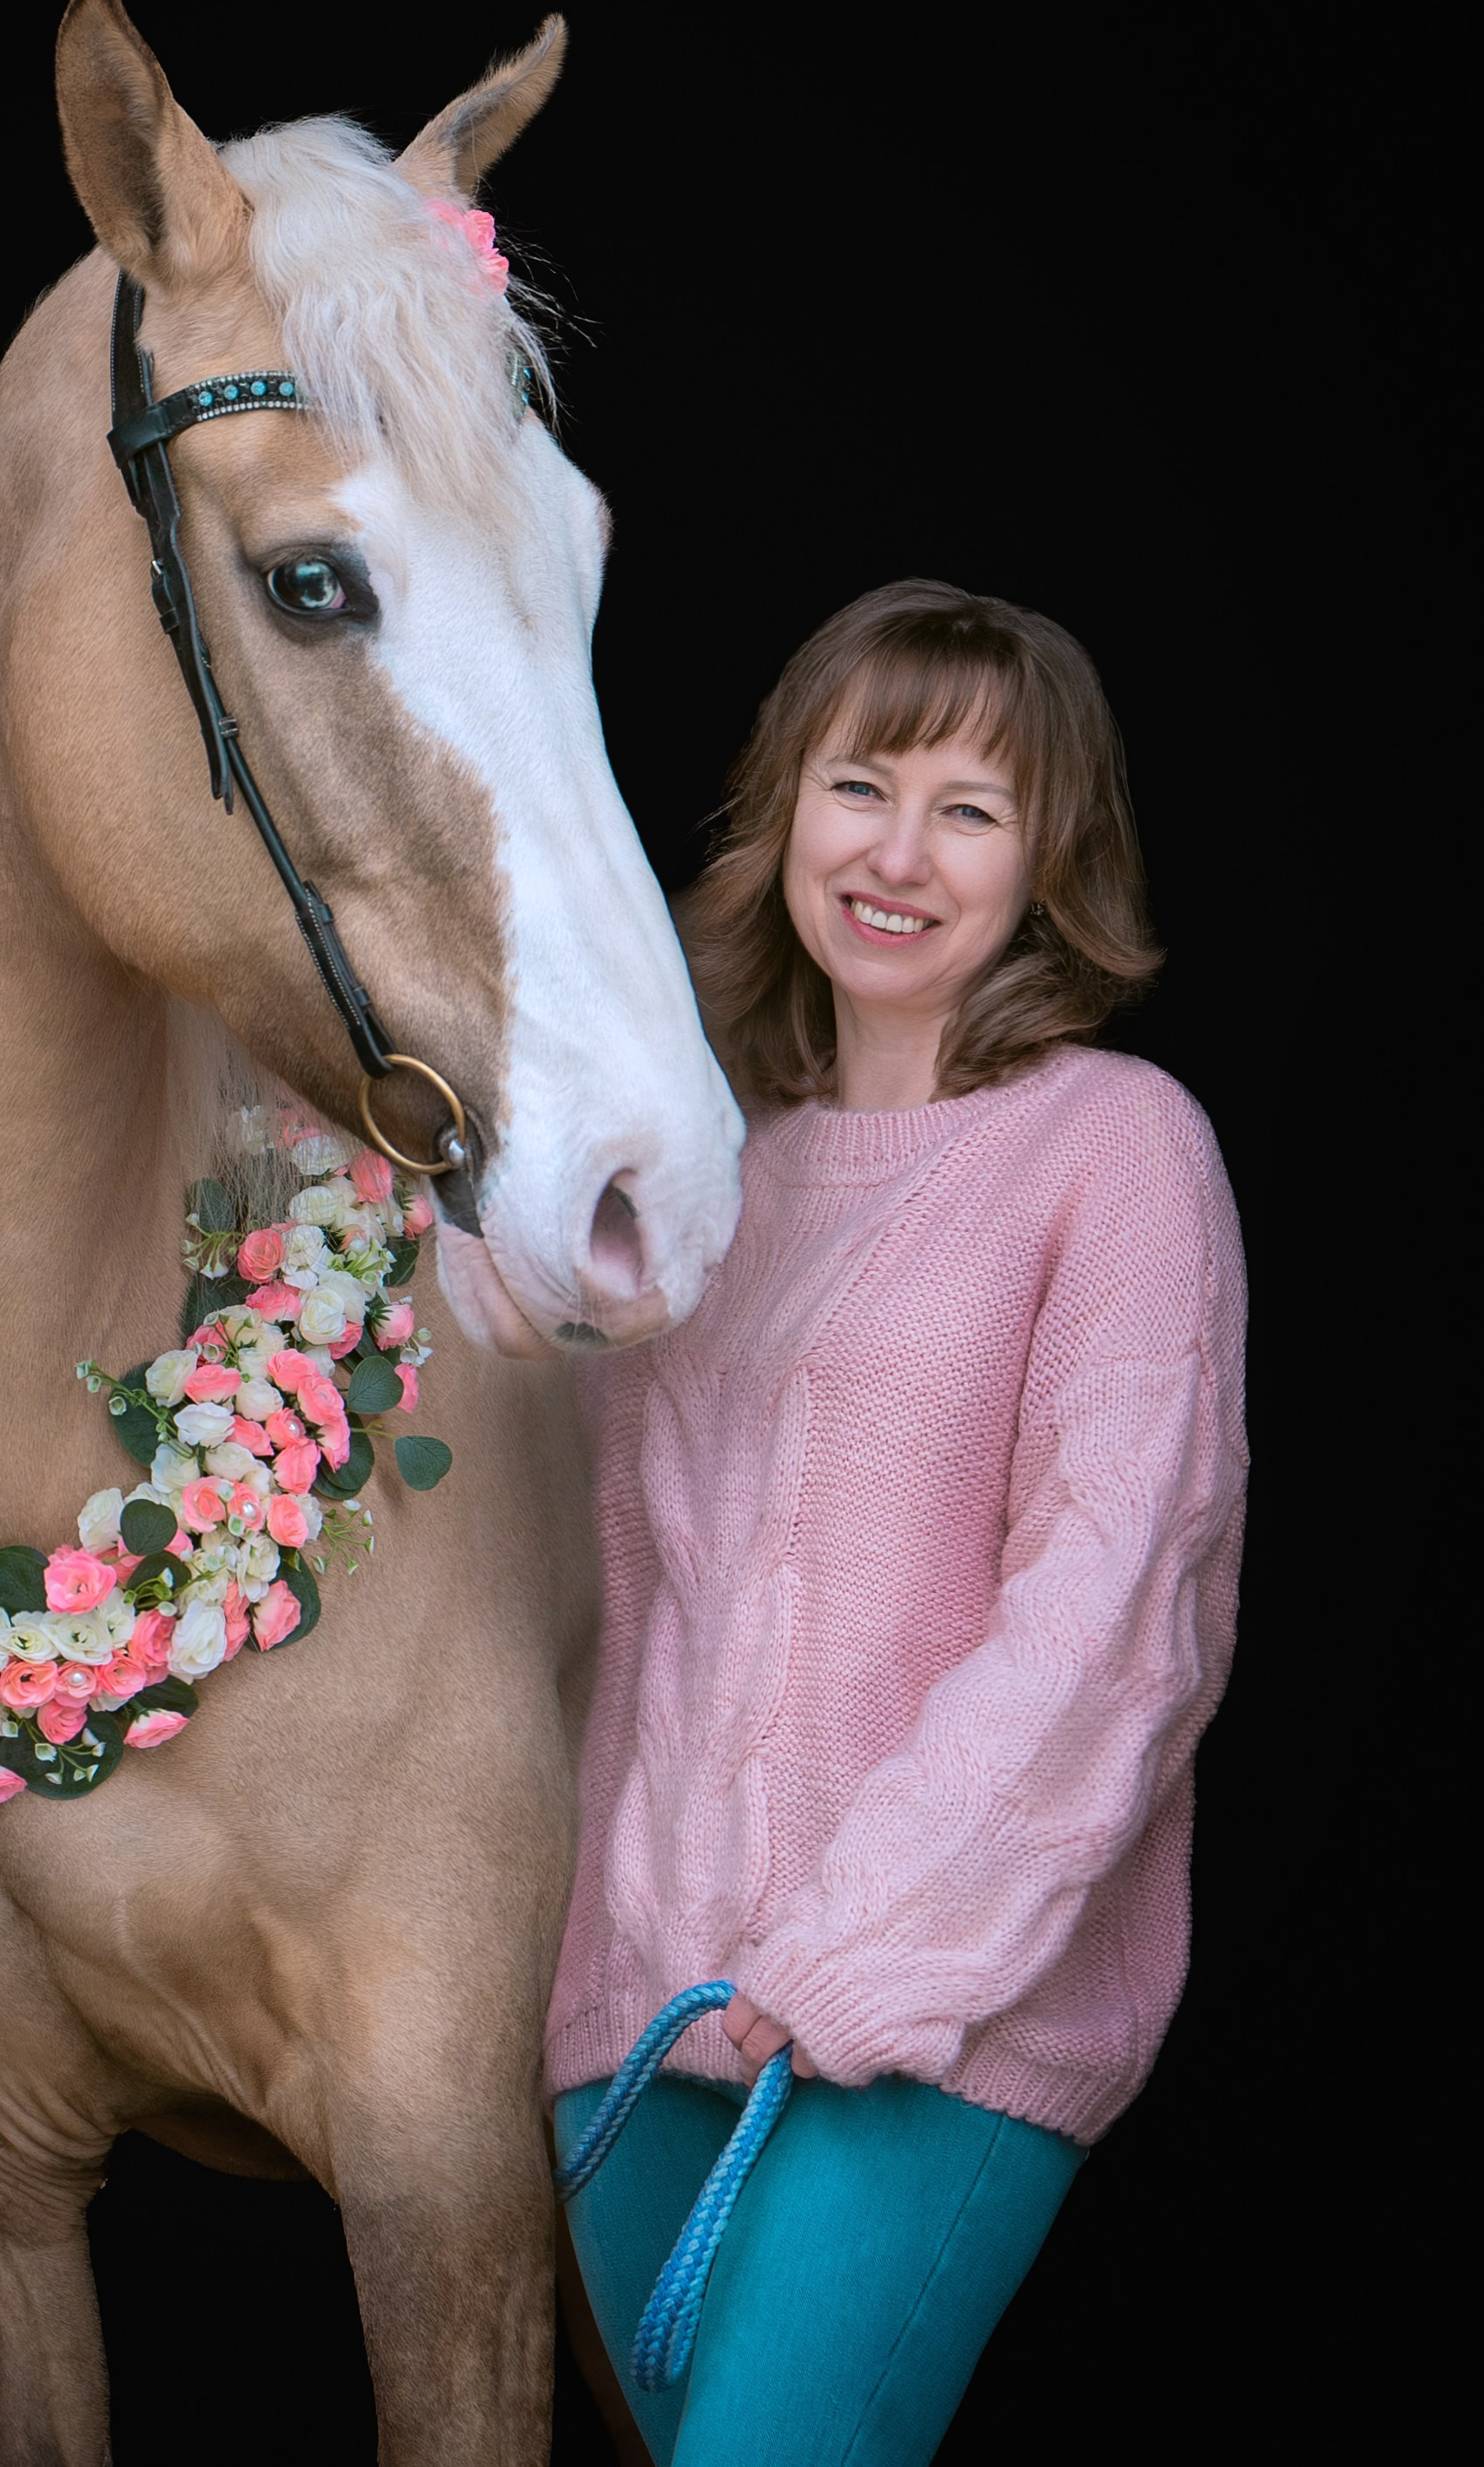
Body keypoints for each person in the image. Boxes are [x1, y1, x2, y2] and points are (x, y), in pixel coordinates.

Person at [547, 578, 1247, 2465]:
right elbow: (605, 1599)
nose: (899, 853)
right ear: (784, 804)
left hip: (925, 2014)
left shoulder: (1109, 1143)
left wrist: (860, 1951)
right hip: (637, 2024)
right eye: (862, 782)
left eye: (973, 807)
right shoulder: (701, 1183)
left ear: (1046, 863)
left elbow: (1118, 1611)